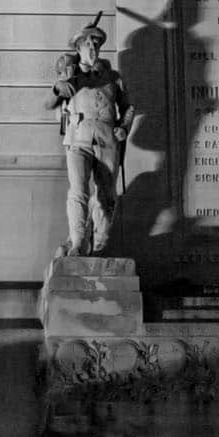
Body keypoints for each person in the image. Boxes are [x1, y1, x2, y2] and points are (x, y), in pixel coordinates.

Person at [44, 14, 134, 256]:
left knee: (106, 196)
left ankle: (100, 245)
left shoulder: (113, 77)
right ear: (78, 47)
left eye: (96, 44)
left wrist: (124, 127)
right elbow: (49, 103)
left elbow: (128, 107)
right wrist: (57, 88)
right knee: (78, 190)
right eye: (88, 44)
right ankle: (77, 242)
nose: (93, 48)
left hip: (107, 140)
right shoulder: (70, 74)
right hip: (78, 138)